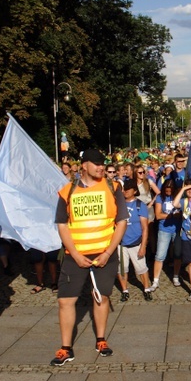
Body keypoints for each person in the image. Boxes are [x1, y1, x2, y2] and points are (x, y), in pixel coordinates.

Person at [51, 149, 128, 366]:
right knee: (66, 301)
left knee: (102, 297)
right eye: (96, 164)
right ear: (83, 166)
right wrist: (74, 254)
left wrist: (108, 252)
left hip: (105, 253)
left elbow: (121, 222)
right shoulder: (68, 191)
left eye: (102, 163)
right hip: (74, 255)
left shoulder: (113, 188)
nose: (101, 167)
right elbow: (62, 224)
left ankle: (101, 339)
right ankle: (66, 348)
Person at [117, 179, 153, 301]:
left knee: (141, 268)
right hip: (121, 243)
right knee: (122, 269)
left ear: (135, 191)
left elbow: (145, 227)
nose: (125, 191)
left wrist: (143, 246)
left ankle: (147, 289)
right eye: (124, 189)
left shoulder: (140, 205)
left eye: (128, 189)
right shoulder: (118, 204)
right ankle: (125, 290)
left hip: (136, 242)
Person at [152, 178, 182, 288]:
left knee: (178, 254)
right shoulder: (160, 197)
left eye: (170, 191)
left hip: (177, 229)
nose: (168, 192)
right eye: (166, 190)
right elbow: (158, 215)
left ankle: (176, 276)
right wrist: (172, 216)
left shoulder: (178, 197)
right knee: (160, 255)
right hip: (164, 229)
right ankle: (155, 280)